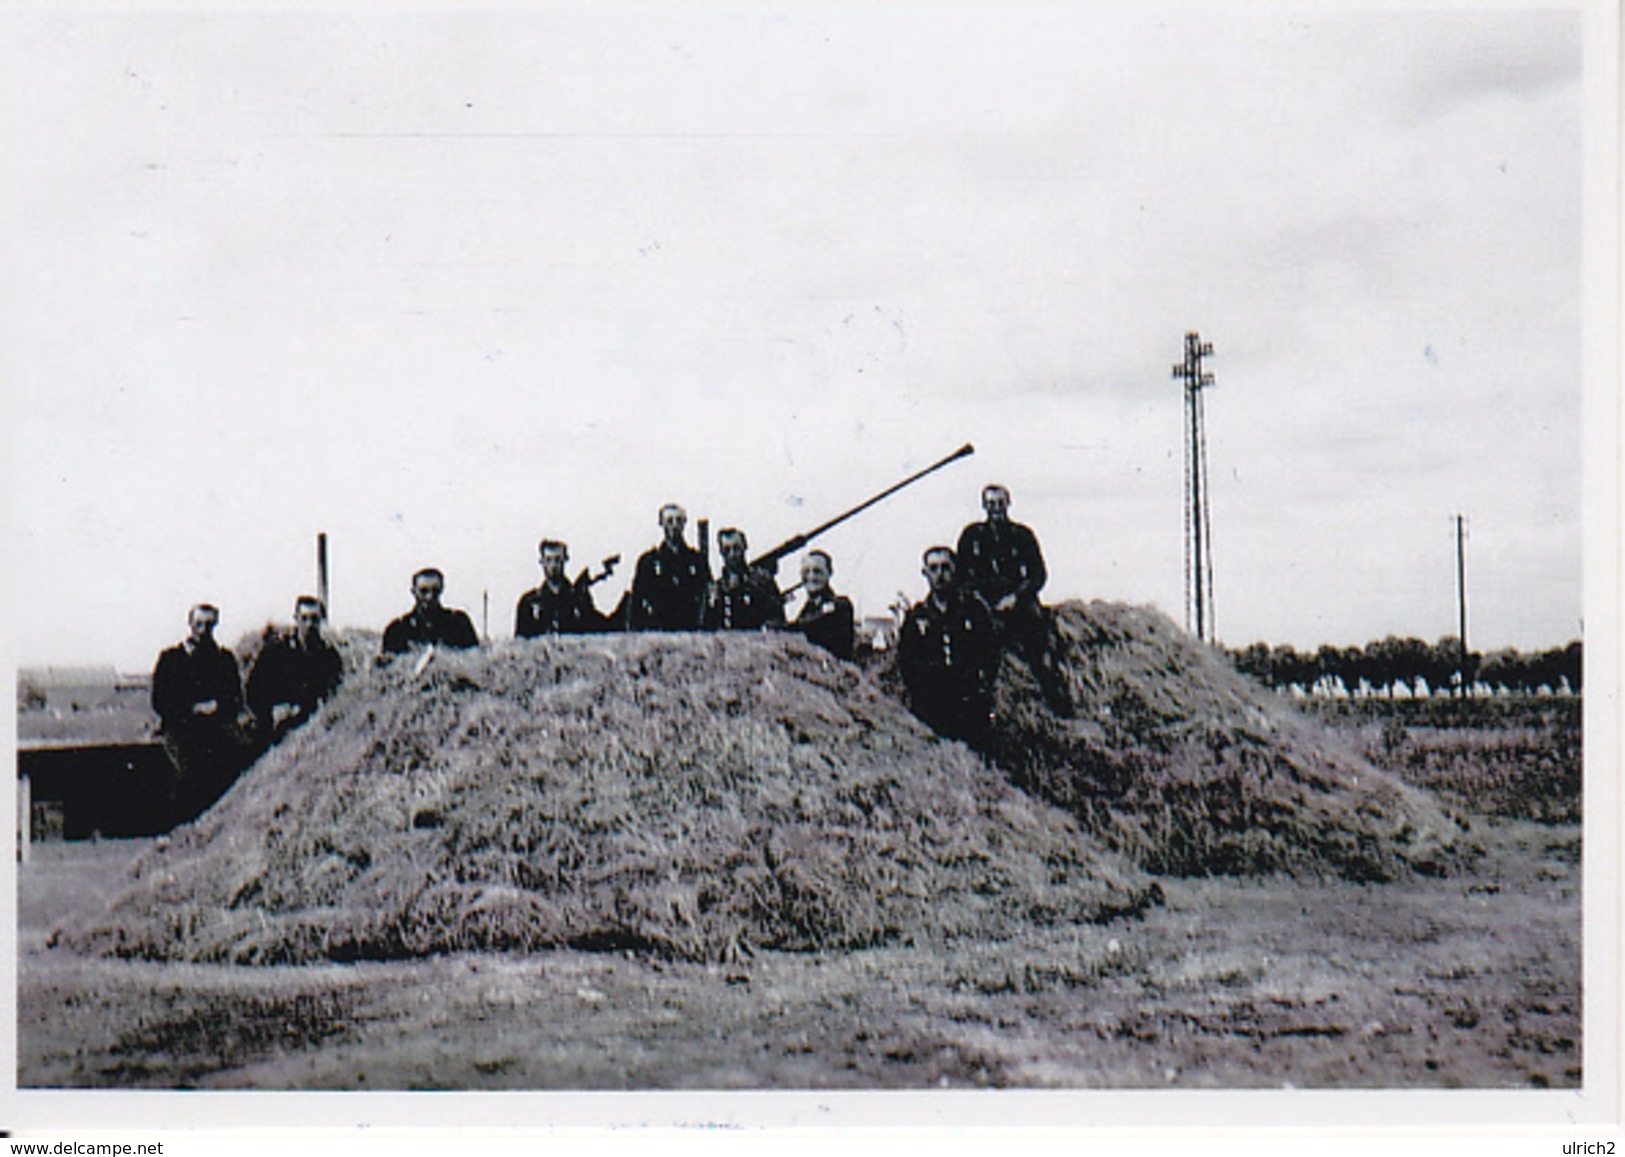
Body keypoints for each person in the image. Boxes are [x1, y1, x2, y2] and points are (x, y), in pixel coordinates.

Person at [955, 482, 1069, 711]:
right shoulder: (972, 536)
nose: (995, 509)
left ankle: (1055, 699)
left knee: (1041, 644)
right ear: (983, 506)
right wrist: (978, 599)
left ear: (1008, 504)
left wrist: (1016, 597)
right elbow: (961, 575)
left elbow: (1038, 574)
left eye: (999, 503)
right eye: (990, 504)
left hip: (1018, 602)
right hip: (982, 602)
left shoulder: (1022, 535)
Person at [151, 603, 253, 821]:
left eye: (209, 624)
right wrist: (191, 709)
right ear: (190, 624)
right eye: (199, 624)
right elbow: (160, 700)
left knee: (239, 757)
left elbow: (235, 697)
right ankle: (184, 824)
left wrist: (217, 706)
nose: (203, 629)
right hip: (182, 728)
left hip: (216, 726)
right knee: (187, 772)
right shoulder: (171, 659)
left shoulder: (224, 659)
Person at [897, 547, 1000, 744]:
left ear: (955, 570)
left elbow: (991, 651)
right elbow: (906, 661)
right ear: (925, 573)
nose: (940, 575)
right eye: (933, 569)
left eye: (946, 568)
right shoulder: (918, 616)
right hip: (932, 706)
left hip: (969, 704)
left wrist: (982, 685)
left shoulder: (973, 610)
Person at [246, 595, 344, 745]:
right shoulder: (276, 651)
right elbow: (253, 690)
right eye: (304, 618)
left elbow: (336, 693)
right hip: (276, 726)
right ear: (296, 619)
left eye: (314, 619)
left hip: (312, 728)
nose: (310, 624)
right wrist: (272, 711)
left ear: (321, 621)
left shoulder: (329, 656)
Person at [627, 503, 711, 631]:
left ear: (684, 524)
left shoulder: (697, 561)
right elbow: (636, 605)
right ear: (661, 523)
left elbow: (707, 598)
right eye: (669, 521)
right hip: (658, 633)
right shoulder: (649, 562)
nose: (674, 525)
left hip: (690, 632)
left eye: (679, 520)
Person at [515, 540, 605, 636]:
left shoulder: (579, 599)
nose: (553, 565)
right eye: (548, 560)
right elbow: (521, 645)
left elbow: (594, 634)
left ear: (565, 560)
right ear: (542, 562)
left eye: (558, 559)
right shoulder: (529, 603)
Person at [381, 568, 480, 654]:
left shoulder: (459, 624)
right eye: (423, 591)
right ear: (413, 592)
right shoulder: (397, 630)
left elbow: (475, 661)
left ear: (441, 590)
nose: (429, 597)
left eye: (435, 591)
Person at [702, 527, 785, 631]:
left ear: (745, 547)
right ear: (721, 552)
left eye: (736, 548)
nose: (732, 554)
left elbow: (777, 619)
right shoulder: (717, 588)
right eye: (727, 550)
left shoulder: (762, 582)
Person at [787, 549, 855, 660]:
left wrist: (783, 627)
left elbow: (811, 625)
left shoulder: (840, 606)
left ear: (830, 573)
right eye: (806, 572)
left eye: (817, 572)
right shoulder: (807, 609)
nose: (811, 577)